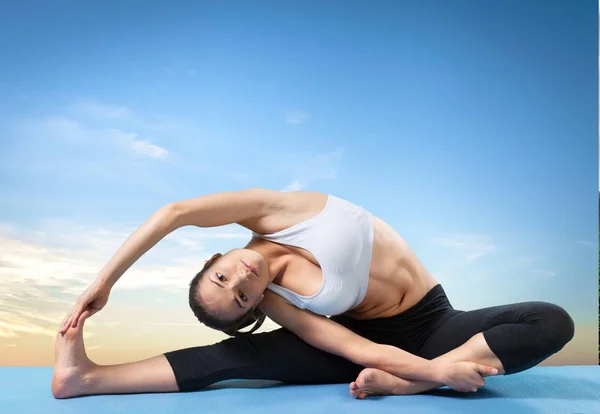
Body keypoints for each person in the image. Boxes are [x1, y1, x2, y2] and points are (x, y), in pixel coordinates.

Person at [52, 188, 575, 399]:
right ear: (255, 306)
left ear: (214, 257)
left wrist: (103, 283)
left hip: (433, 323)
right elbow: (358, 350)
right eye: (240, 299)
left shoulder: (273, 212)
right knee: (236, 359)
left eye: (222, 277)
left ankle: (405, 385)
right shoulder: (276, 299)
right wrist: (439, 371)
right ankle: (84, 378)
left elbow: (174, 213)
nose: (240, 281)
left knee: (551, 321)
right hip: (364, 340)